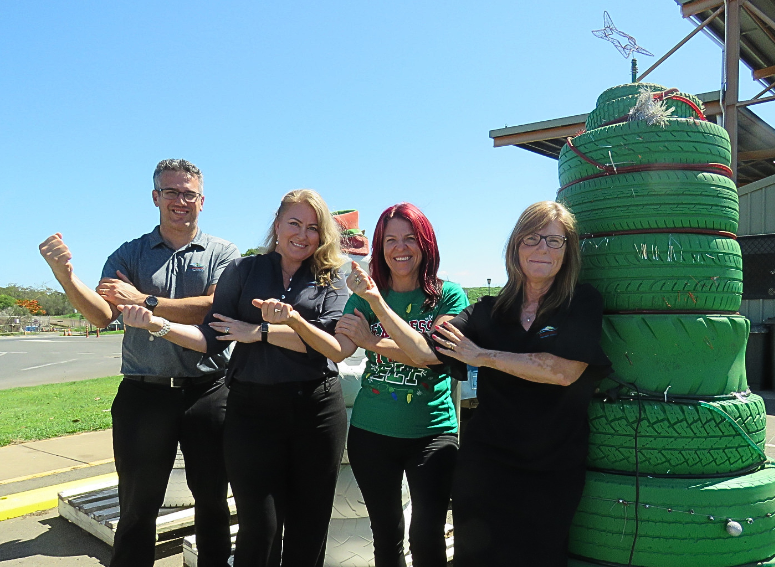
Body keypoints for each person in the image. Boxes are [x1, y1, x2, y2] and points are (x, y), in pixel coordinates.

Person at [347, 201, 613, 567]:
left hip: (551, 468)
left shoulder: (581, 302)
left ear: (568, 251)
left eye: (554, 241)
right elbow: (427, 353)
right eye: (532, 238)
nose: (541, 249)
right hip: (485, 466)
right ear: (515, 246)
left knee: (541, 556)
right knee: (475, 557)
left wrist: (483, 356)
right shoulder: (488, 310)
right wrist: (376, 304)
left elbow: (563, 371)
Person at [119, 189, 349, 567]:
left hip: (316, 410)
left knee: (309, 526)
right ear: (277, 224)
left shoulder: (331, 278)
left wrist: (260, 330)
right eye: (294, 223)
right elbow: (211, 338)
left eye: (312, 227)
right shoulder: (244, 271)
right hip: (251, 412)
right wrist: (160, 325)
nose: (302, 234)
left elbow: (328, 344)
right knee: (259, 527)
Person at [38, 159, 240, 567]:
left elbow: (214, 307)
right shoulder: (129, 253)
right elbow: (100, 315)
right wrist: (67, 277)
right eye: (170, 192)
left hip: (209, 393)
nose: (179, 201)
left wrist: (144, 301)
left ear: (202, 200)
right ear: (155, 197)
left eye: (188, 193)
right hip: (143, 396)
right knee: (136, 508)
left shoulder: (223, 252)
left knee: (214, 503)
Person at [278, 202, 468, 567]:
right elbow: (337, 349)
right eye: (391, 240)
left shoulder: (448, 295)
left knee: (426, 535)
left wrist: (374, 328)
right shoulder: (360, 298)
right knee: (386, 535)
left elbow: (430, 354)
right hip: (372, 434)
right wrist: (295, 322)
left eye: (410, 238)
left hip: (432, 433)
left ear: (425, 243)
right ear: (380, 247)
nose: (400, 248)